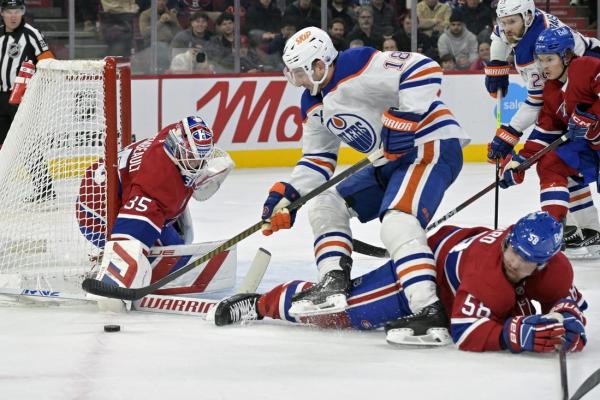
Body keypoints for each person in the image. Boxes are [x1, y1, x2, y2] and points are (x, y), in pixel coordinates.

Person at [260, 27, 469, 345]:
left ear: (319, 65)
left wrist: (405, 118)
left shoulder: (356, 64)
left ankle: (429, 310)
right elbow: (317, 159)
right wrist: (289, 195)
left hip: (430, 143)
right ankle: (334, 281)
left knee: (398, 220)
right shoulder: (312, 103)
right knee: (324, 203)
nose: (298, 81)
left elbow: (424, 68)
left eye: (301, 72)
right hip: (387, 161)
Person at [210, 212, 588, 353]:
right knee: (344, 312)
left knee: (510, 303)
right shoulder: (486, 273)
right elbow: (468, 331)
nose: (516, 261)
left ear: (546, 262)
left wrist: (569, 320)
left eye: (528, 261)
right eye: (514, 251)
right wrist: (514, 335)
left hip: (458, 267)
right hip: (428, 270)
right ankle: (262, 303)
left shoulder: (554, 269)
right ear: (507, 240)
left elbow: (570, 302)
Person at [76, 116, 234, 308]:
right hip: (95, 216)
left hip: (107, 187)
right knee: (178, 257)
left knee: (177, 229)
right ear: (178, 147)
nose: (199, 165)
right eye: (192, 157)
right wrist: (115, 284)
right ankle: (104, 263)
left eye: (202, 157)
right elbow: (127, 238)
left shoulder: (170, 136)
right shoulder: (156, 186)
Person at [484, 0, 600, 251]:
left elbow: (536, 104)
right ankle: (579, 230)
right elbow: (546, 127)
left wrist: (592, 115)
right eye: (541, 61)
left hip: (590, 119)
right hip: (587, 134)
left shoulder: (584, 67)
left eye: (549, 60)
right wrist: (522, 159)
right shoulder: (552, 87)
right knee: (555, 163)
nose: (544, 66)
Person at [0, 0, 55, 203]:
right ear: (2, 13)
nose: (13, 15)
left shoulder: (31, 33)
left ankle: (45, 188)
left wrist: (37, 90)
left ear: (22, 12)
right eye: (9, 11)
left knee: (26, 143)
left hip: (20, 98)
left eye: (17, 10)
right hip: (0, 98)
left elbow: (48, 61)